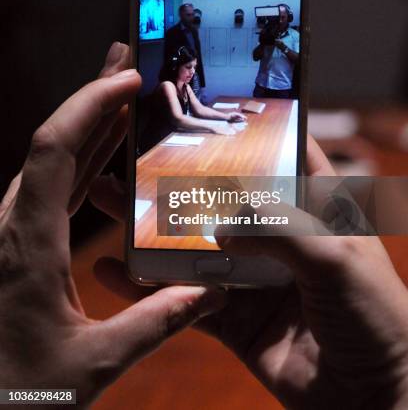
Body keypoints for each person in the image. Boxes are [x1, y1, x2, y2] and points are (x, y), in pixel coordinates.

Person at [3, 42, 408, 409]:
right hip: (160, 157)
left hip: (180, 168)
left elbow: (199, 109)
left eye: (193, 71)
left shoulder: (187, 83)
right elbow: (183, 119)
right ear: (178, 68)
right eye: (188, 70)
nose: (191, 75)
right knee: (166, 215)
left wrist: (225, 115)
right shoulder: (165, 86)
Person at [141, 46, 246, 151]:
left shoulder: (185, 86)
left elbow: (200, 109)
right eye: (188, 67)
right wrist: (212, 127)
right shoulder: (167, 86)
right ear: (175, 66)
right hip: (156, 144)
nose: (193, 71)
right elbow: (178, 118)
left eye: (194, 67)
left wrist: (227, 117)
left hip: (172, 139)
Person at [253, 4, 299, 99]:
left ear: (289, 18)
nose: (280, 21)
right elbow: (255, 57)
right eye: (278, 17)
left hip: (282, 87)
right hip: (262, 85)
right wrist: (263, 43)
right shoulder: (266, 32)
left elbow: (299, 60)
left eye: (283, 17)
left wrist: (284, 48)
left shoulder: (295, 35)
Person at [164, 3, 205, 100]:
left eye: (192, 14)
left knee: (195, 104)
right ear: (181, 15)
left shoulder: (194, 31)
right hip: (179, 77)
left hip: (194, 75)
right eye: (188, 15)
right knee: (182, 105)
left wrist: (202, 83)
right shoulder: (172, 33)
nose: (191, 17)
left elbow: (198, 55)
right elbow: (168, 59)